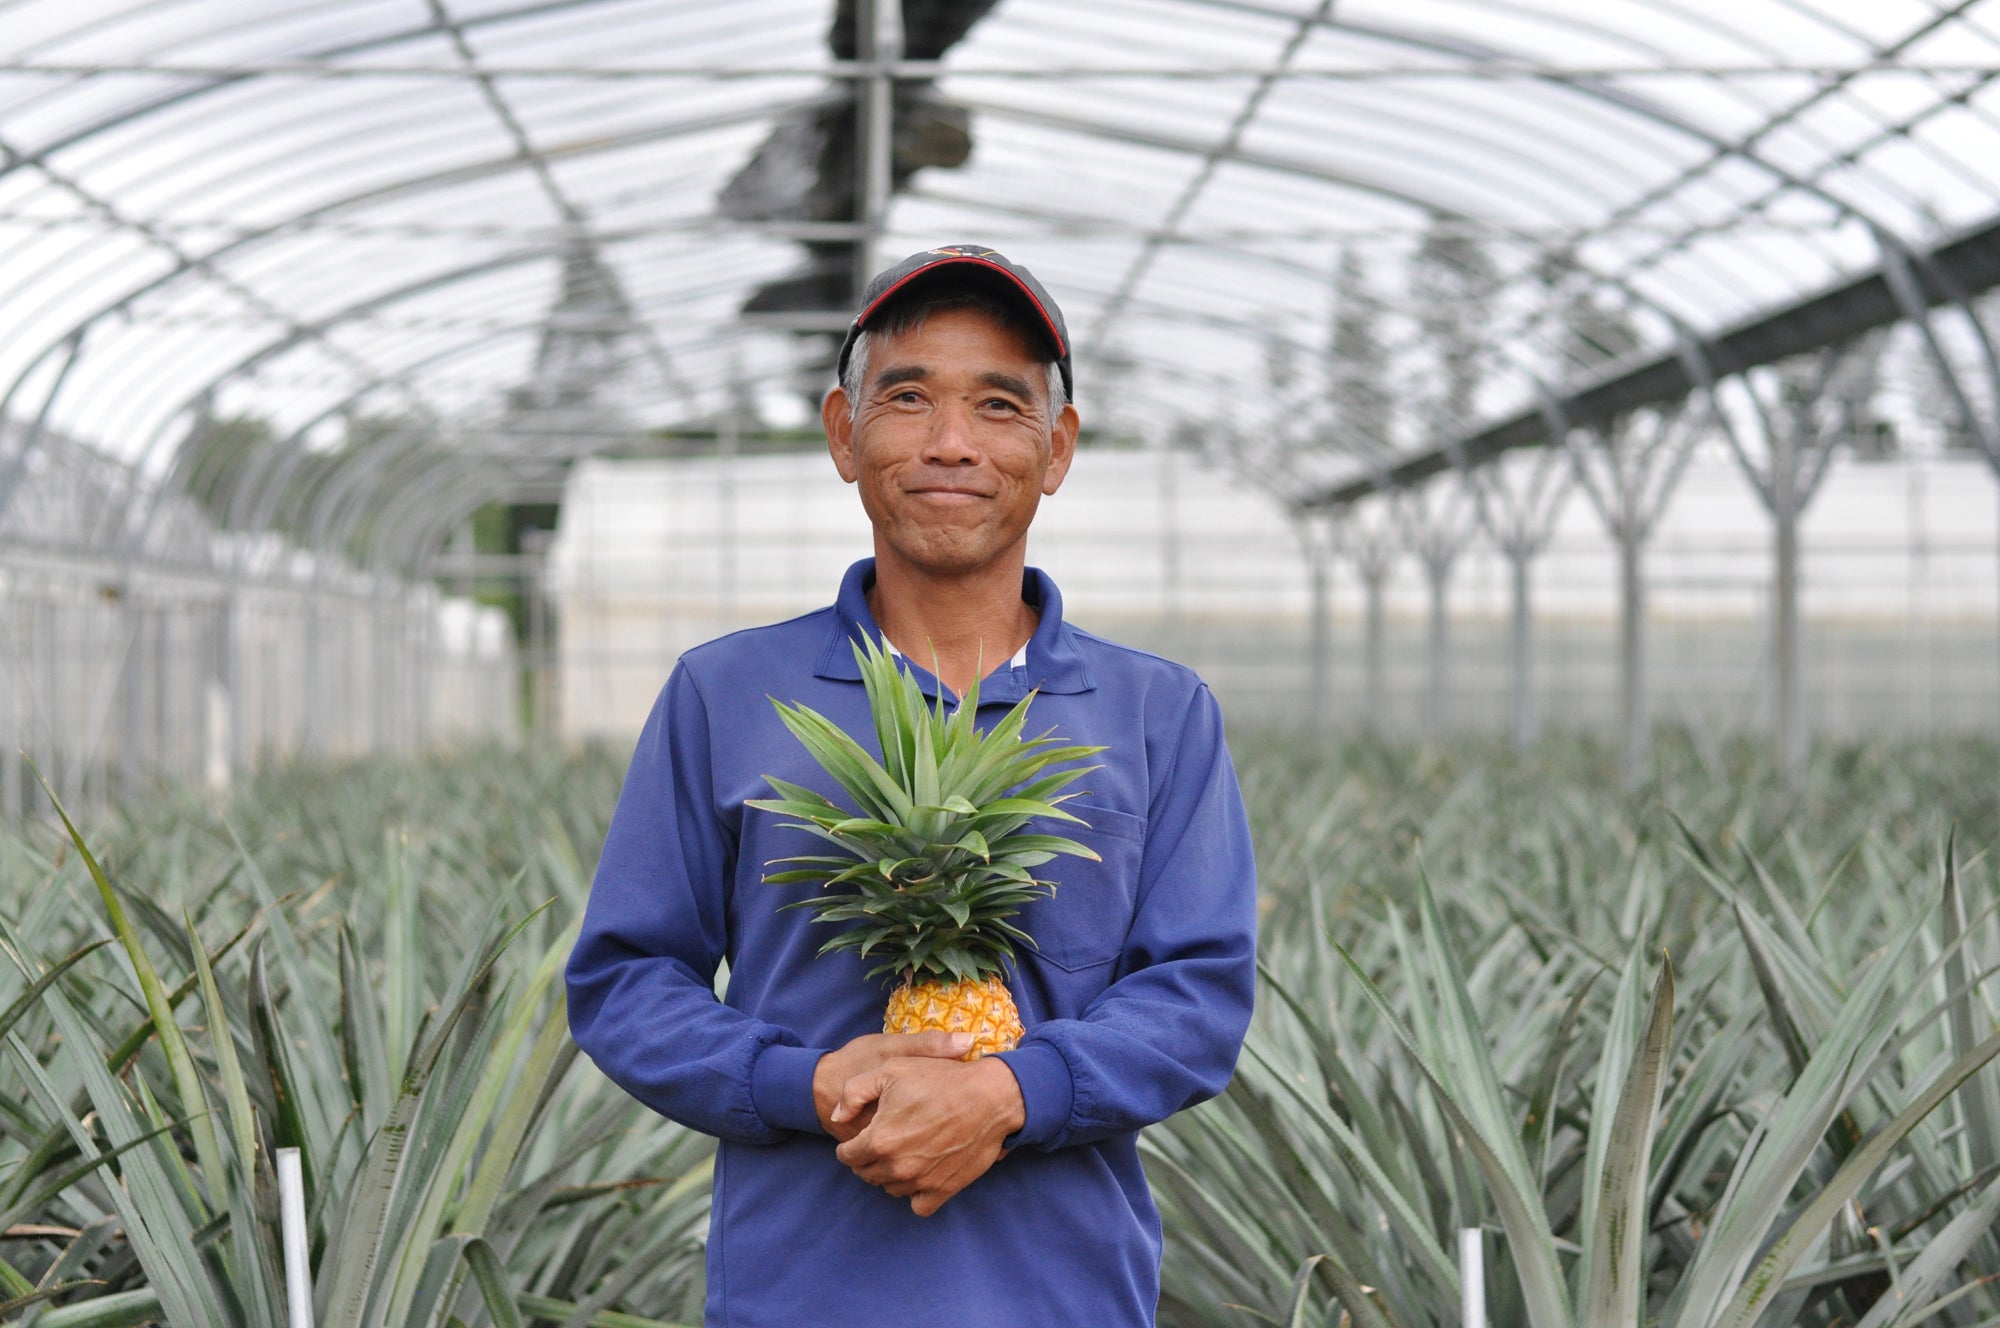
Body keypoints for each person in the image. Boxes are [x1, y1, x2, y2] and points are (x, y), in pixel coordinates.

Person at [566, 244, 1258, 1328]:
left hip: (1065, 1296)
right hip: (798, 1297)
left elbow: (1199, 992)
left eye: (999, 404)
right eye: (907, 397)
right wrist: (808, 1082)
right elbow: (626, 979)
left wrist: (1011, 1090)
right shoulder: (727, 692)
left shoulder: (1157, 711)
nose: (951, 442)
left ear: (1056, 449)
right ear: (844, 434)